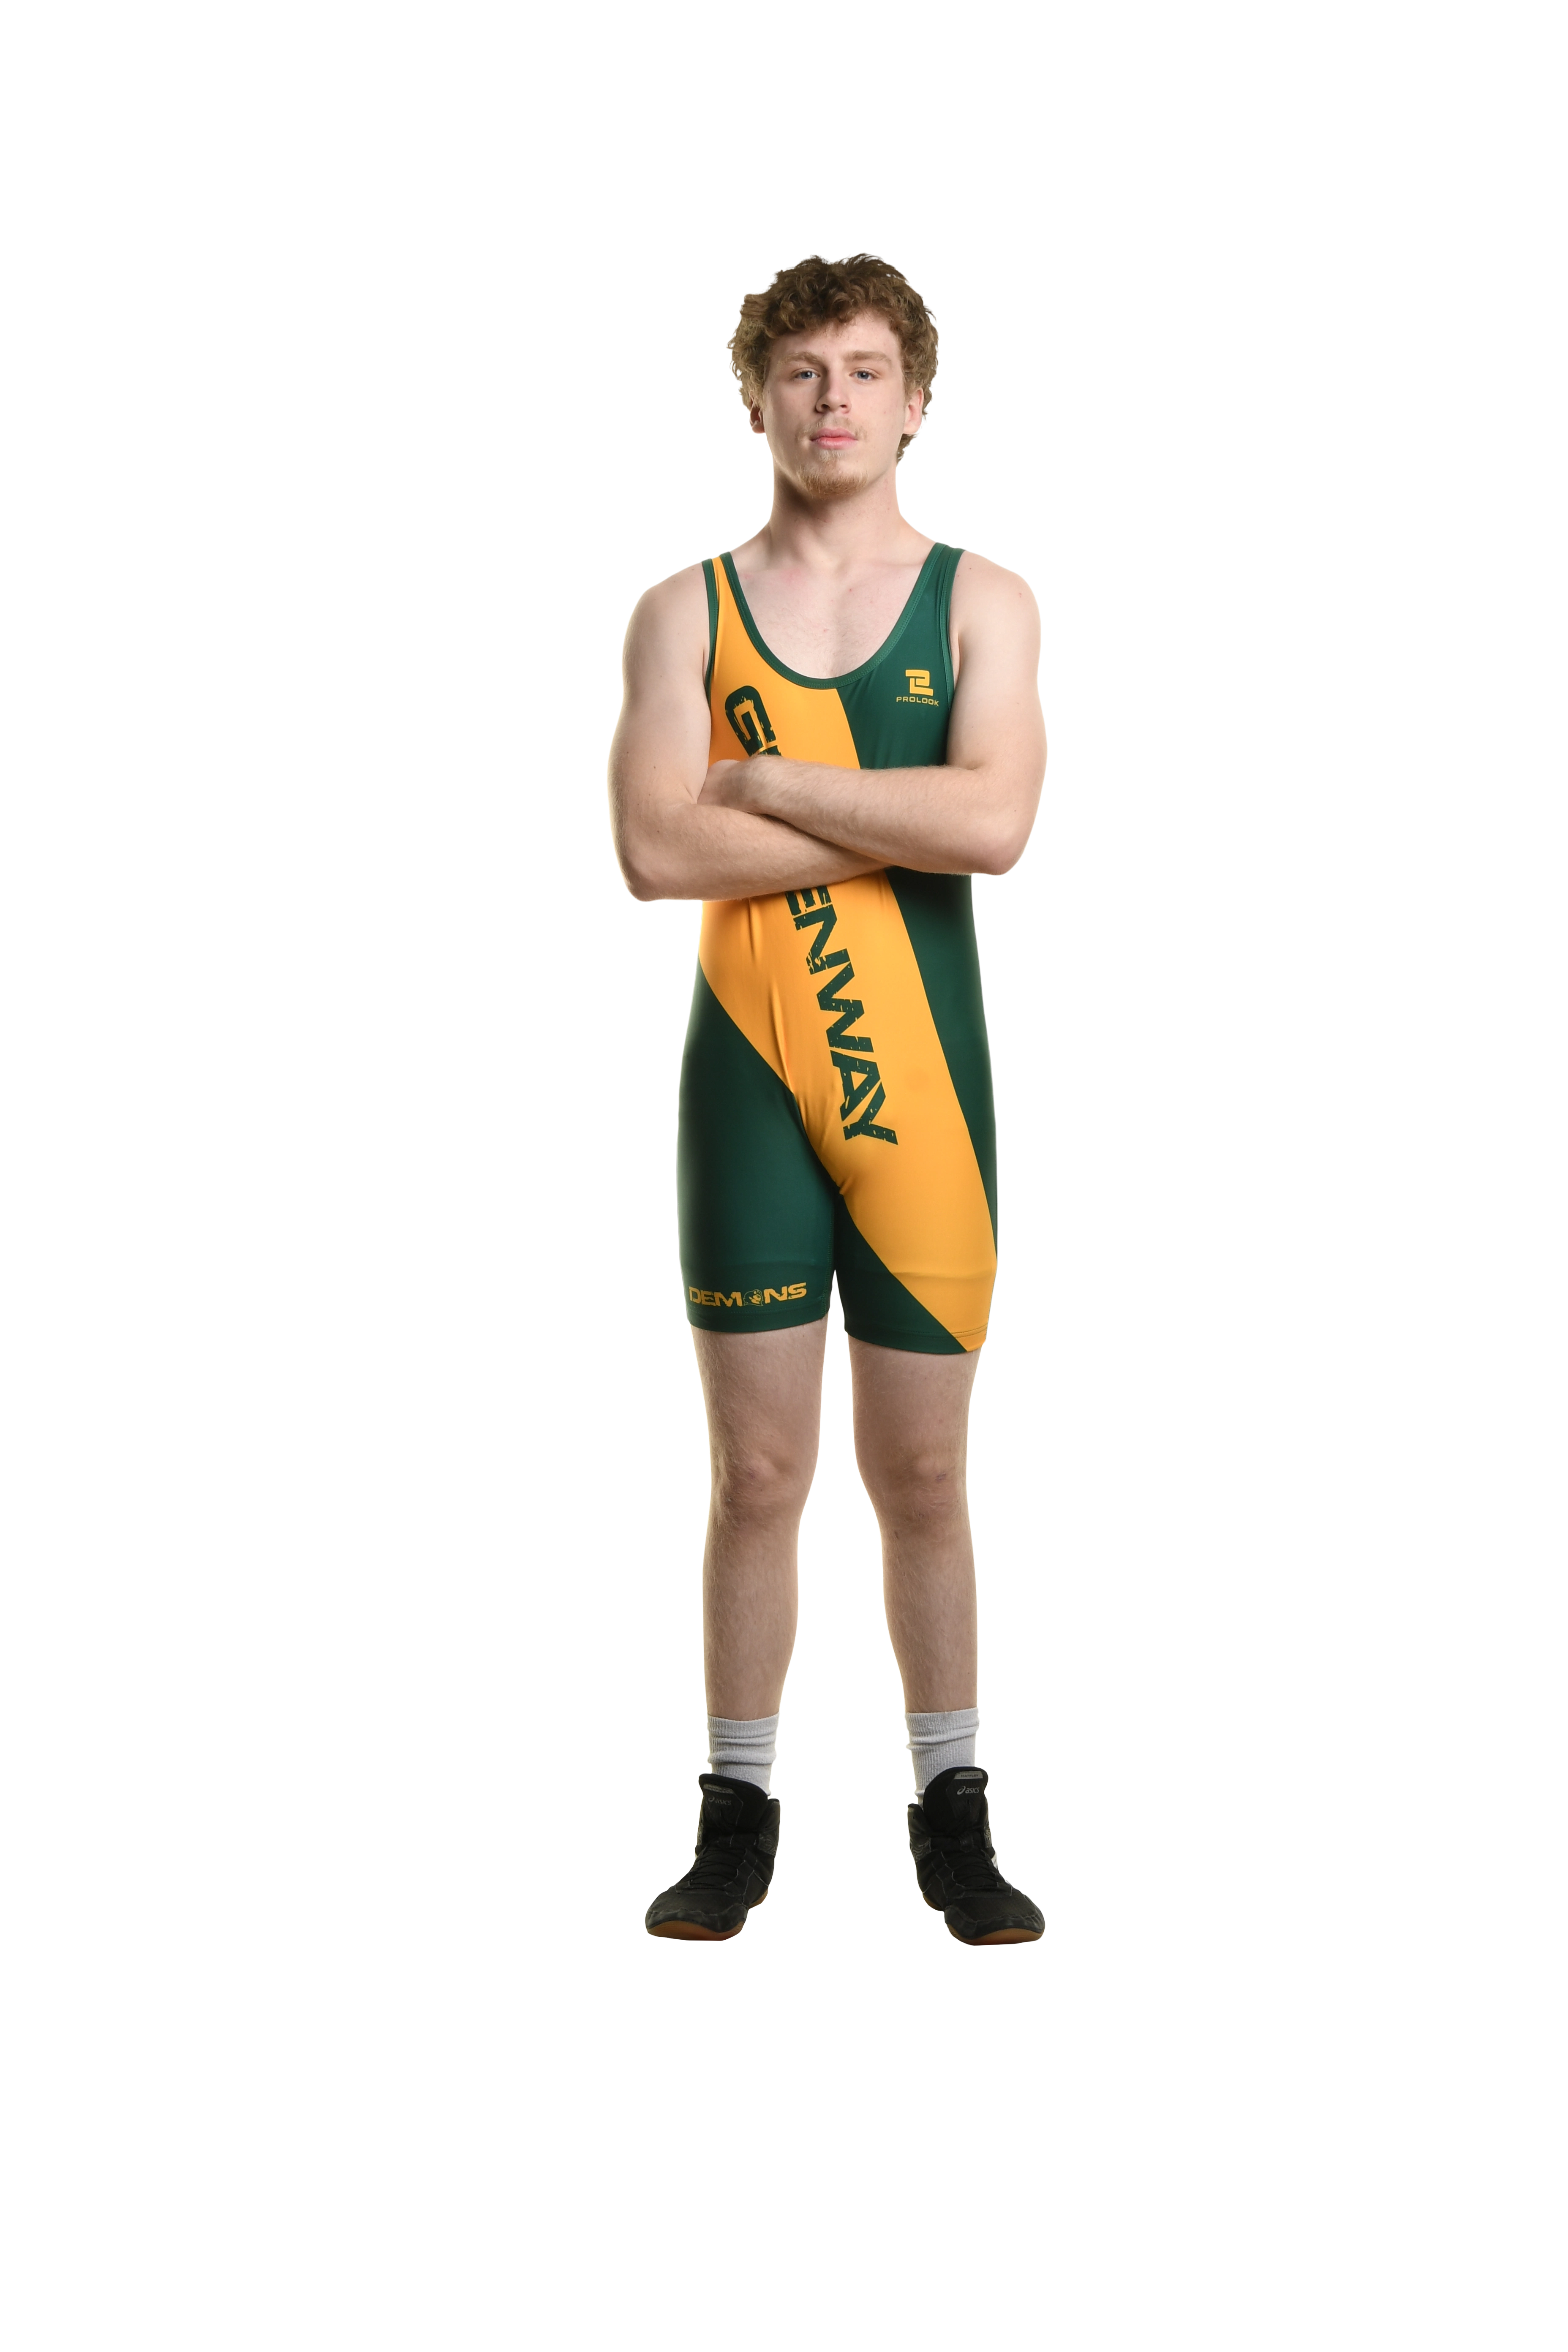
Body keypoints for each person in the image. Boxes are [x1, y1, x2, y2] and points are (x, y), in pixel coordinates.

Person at [610, 253, 1047, 1945]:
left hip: (925, 1096)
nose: (834, 400)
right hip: (748, 1088)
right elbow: (657, 850)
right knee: (760, 1470)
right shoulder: (682, 613)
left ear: (916, 398)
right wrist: (897, 809)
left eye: (866, 370)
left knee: (924, 1475)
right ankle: (736, 1825)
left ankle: (952, 1818)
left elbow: (995, 827)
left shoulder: (984, 602)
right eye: (799, 371)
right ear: (754, 399)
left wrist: (770, 778)